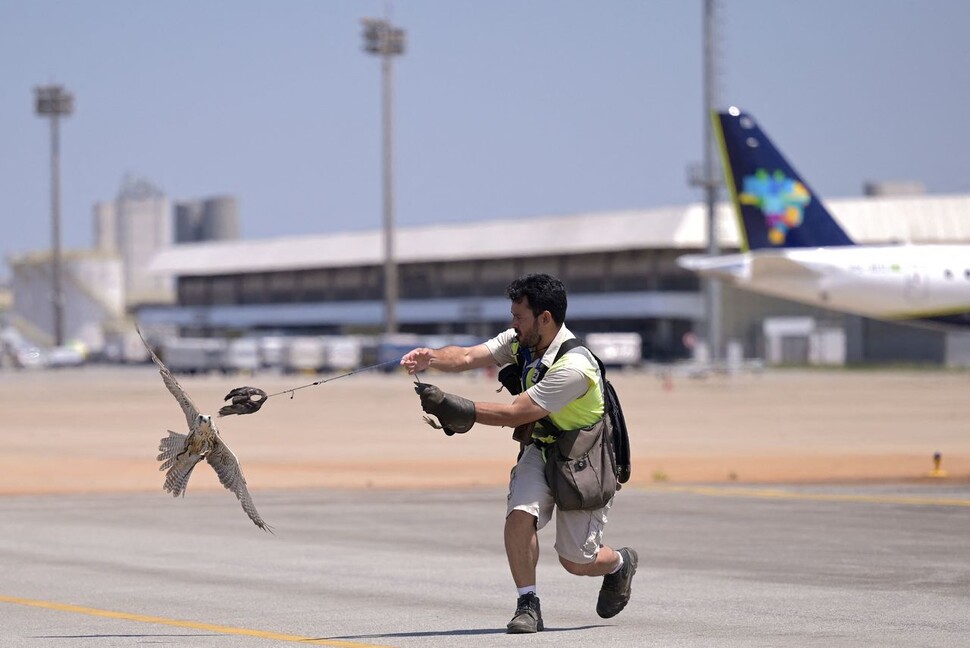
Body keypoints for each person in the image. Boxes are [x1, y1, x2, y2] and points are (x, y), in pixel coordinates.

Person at [400, 273, 637, 634]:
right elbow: (466, 355)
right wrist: (430, 357)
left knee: (576, 561)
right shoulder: (521, 342)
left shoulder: (574, 367)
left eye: (519, 316)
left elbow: (517, 413)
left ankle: (619, 563)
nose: (513, 323)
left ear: (545, 318)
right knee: (518, 516)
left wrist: (458, 409)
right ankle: (528, 604)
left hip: (583, 457)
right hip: (540, 448)